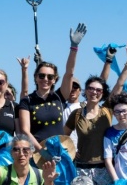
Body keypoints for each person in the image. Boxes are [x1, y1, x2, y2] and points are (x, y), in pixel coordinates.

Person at [64, 40, 127, 185]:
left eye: (98, 90)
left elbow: (120, 83)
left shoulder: (107, 110)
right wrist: (70, 151)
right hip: (82, 167)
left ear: (102, 94)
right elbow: (63, 136)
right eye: (91, 88)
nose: (94, 92)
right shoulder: (76, 114)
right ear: (85, 91)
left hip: (105, 167)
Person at [18, 24, 82, 155]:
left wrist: (74, 48)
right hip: (36, 155)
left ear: (55, 79)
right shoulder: (27, 101)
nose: (45, 79)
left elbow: (69, 73)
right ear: (35, 78)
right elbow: (25, 130)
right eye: (41, 76)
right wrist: (42, 151)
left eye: (50, 76)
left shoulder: (59, 96)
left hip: (60, 152)